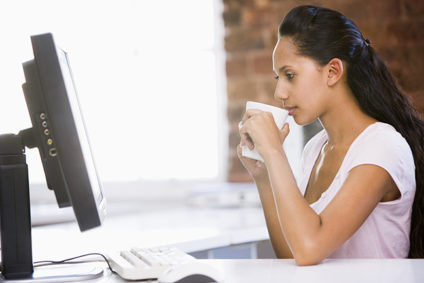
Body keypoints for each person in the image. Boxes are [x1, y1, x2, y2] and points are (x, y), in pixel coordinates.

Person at [238, 5, 424, 265]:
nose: (279, 92)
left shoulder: (382, 147)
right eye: (277, 77)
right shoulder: (315, 149)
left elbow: (309, 249)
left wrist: (274, 152)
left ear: (333, 72)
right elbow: (291, 254)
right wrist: (263, 175)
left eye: (290, 75)